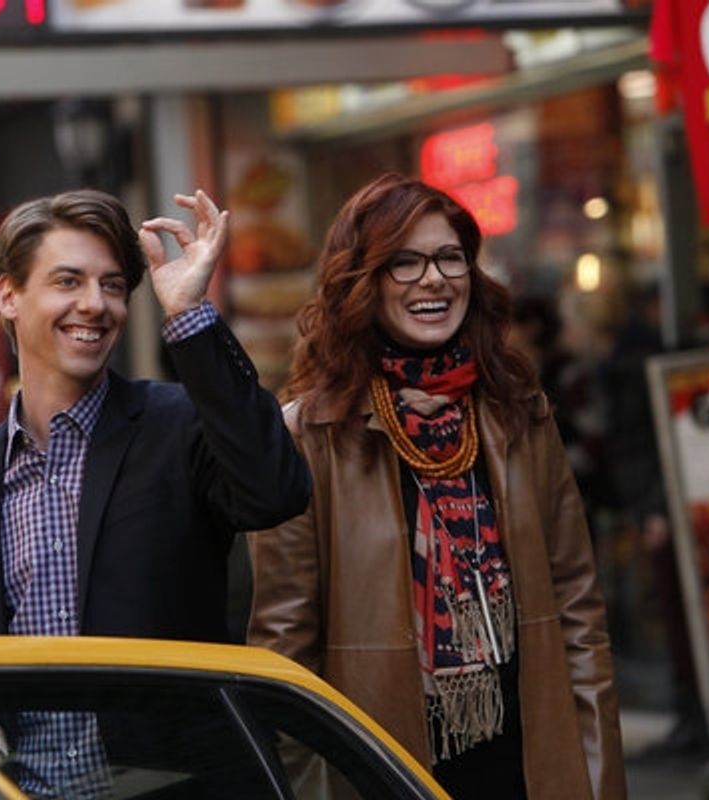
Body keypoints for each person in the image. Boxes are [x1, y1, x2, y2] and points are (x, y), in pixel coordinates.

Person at [0, 188, 310, 795]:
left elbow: (275, 491)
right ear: (7, 294)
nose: (95, 305)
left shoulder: (178, 428)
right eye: (68, 281)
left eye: (114, 285)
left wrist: (190, 316)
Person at [247, 174, 625, 800]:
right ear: (362, 281)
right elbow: (286, 657)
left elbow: (580, 615)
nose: (434, 279)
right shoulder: (308, 436)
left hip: (527, 766)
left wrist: (600, 774)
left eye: (450, 258)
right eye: (405, 262)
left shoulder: (519, 413)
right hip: (386, 772)